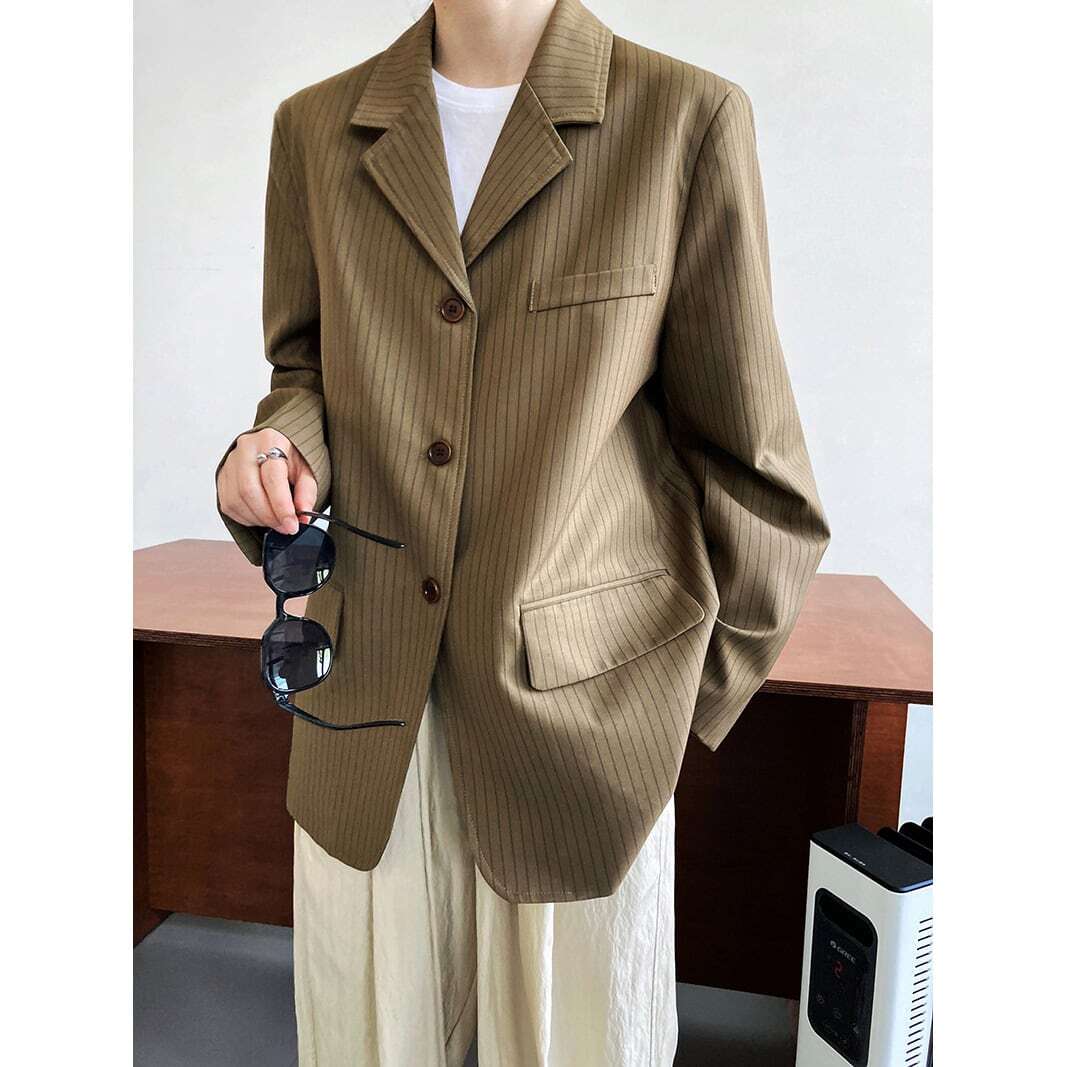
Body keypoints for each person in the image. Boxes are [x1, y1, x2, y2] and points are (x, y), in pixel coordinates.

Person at [215, 0, 830, 1063]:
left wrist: (671, 703)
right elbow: (304, 368)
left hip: (584, 721)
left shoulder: (681, 118)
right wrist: (272, 447)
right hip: (366, 695)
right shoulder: (314, 128)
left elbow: (754, 464)